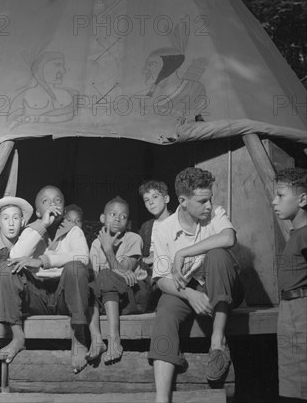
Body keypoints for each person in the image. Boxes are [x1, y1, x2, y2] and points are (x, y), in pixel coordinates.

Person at [149, 167, 243, 403]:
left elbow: (229, 238)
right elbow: (161, 279)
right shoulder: (163, 230)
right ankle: (162, 399)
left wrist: (183, 252)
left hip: (223, 287)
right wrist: (190, 295)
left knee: (218, 255)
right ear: (182, 201)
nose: (209, 206)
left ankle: (217, 341)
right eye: (202, 201)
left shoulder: (216, 214)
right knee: (166, 310)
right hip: (188, 289)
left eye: (210, 199)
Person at [0, 185, 90, 373]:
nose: (52, 204)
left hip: (64, 295)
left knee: (76, 268)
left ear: (63, 208)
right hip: (36, 295)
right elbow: (15, 256)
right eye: (46, 202)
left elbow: (83, 258)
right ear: (38, 211)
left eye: (57, 200)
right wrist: (43, 225)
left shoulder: (73, 231)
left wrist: (42, 261)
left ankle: (79, 337)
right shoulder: (32, 231)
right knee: (6, 269)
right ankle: (18, 337)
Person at [86, 196, 149, 364]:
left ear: (128, 221)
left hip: (133, 295)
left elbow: (125, 270)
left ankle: (114, 340)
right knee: (86, 285)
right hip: (108, 299)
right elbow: (93, 278)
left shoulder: (133, 239)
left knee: (106, 274)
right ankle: (97, 340)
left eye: (123, 216)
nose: (117, 219)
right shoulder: (95, 244)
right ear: (102, 218)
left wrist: (108, 249)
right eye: (112, 214)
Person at [273, 167, 307, 402]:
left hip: (301, 311)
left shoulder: (305, 235)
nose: (274, 201)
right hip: (289, 310)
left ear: (303, 199)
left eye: (281, 196)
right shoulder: (296, 234)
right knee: (292, 381)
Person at [138, 180, 171, 311]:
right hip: (148, 270)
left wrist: (155, 257)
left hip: (168, 267)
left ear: (166, 198)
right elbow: (140, 253)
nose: (151, 202)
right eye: (146, 200)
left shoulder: (176, 221)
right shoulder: (146, 226)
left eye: (155, 197)